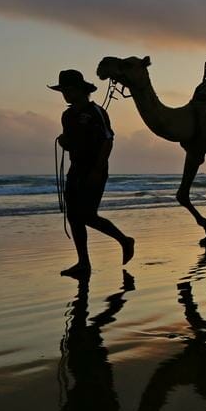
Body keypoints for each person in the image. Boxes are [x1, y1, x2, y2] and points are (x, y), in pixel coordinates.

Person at [51, 69, 134, 278]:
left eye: (68, 89)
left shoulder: (97, 112)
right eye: (63, 90)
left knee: (87, 215)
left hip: (94, 168)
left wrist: (97, 169)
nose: (65, 94)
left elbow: (108, 140)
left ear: (80, 90)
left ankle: (124, 240)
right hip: (76, 168)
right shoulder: (67, 116)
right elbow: (71, 144)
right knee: (73, 215)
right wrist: (64, 142)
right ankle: (83, 263)